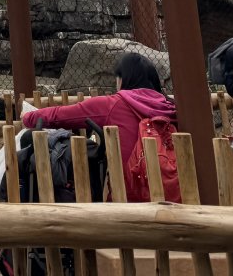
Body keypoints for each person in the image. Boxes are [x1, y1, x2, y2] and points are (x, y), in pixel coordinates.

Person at [20, 52, 177, 202]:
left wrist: (28, 116)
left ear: (122, 80)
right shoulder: (171, 108)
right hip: (176, 194)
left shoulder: (114, 104)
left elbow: (62, 115)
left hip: (129, 199)